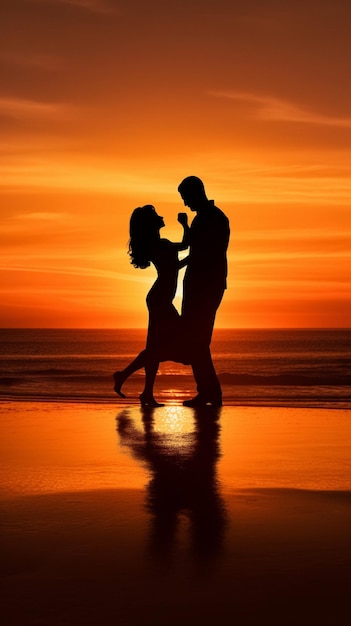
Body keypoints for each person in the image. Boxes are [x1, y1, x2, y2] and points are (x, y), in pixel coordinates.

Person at [113, 204, 189, 407]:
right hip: (160, 300)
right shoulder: (161, 244)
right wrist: (185, 224)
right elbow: (185, 245)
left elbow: (173, 266)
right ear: (151, 223)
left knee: (153, 350)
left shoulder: (159, 245)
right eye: (157, 215)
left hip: (160, 299)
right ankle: (124, 377)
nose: (162, 216)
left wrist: (190, 260)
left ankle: (144, 391)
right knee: (164, 347)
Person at [178, 176, 230, 407]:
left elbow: (201, 251)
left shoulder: (214, 218)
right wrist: (185, 226)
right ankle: (208, 392)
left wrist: (176, 264)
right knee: (196, 340)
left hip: (206, 286)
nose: (185, 204)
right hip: (200, 284)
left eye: (186, 198)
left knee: (197, 340)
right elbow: (194, 246)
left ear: (196, 193)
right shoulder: (204, 218)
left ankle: (211, 393)